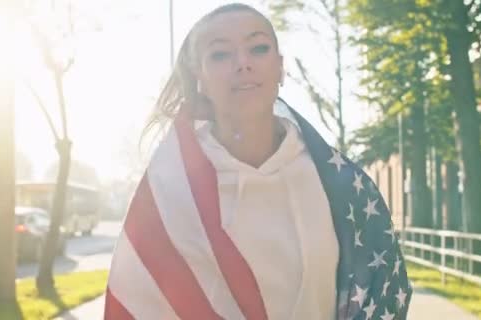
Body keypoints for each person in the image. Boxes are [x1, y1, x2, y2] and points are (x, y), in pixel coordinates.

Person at [104, 3, 412, 320]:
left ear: (279, 67)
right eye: (221, 54)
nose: (243, 64)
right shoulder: (169, 191)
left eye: (258, 48)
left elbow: (382, 290)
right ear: (200, 77)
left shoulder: (341, 186)